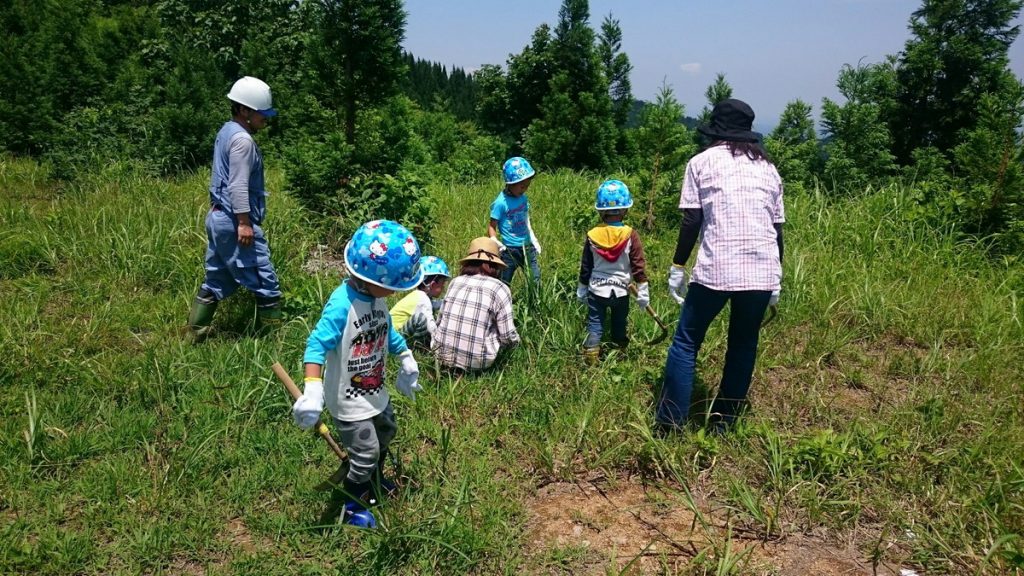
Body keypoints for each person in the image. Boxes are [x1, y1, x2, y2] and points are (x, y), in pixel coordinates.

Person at [657, 98, 784, 434]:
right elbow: (777, 230)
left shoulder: (701, 163)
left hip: (718, 267)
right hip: (761, 270)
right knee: (743, 344)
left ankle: (670, 424)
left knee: (686, 341)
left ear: (715, 131)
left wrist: (677, 266)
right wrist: (776, 280)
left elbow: (691, 221)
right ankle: (723, 424)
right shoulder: (768, 169)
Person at [291, 220, 424, 528]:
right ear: (366, 277)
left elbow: (387, 329)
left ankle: (373, 487)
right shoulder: (342, 304)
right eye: (392, 285)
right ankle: (351, 507)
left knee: (386, 433)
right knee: (364, 453)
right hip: (349, 402)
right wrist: (312, 389)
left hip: (375, 390)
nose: (394, 292)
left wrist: (405, 356)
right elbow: (316, 345)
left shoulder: (377, 297)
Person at [187, 76, 282, 340]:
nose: (266, 119)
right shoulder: (243, 141)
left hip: (218, 217)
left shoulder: (226, 131)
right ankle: (272, 344)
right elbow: (237, 186)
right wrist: (243, 222)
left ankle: (194, 336)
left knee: (216, 279)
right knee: (264, 280)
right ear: (244, 110)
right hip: (232, 220)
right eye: (262, 113)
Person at [576, 180, 649, 363]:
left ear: (601, 210)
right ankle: (619, 358)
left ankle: (590, 360)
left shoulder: (592, 235)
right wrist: (643, 290)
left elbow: (586, 265)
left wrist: (582, 287)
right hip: (622, 291)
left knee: (595, 326)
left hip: (597, 290)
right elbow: (638, 264)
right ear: (625, 210)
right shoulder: (630, 234)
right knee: (619, 324)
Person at [432, 237, 520, 371]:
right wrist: (517, 346)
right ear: (494, 265)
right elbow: (507, 336)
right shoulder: (500, 288)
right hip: (479, 362)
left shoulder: (455, 282)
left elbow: (440, 320)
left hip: (440, 354)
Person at [488, 156, 542, 286]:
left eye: (527, 186)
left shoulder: (523, 198)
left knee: (535, 279)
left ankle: (535, 303)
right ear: (510, 183)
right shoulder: (501, 203)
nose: (525, 189)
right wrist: (495, 241)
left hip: (527, 247)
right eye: (522, 187)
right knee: (503, 282)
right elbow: (491, 226)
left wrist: (533, 239)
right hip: (509, 250)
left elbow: (525, 218)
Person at [389, 255, 450, 349]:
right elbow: (431, 326)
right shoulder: (423, 299)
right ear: (433, 285)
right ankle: (421, 349)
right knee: (422, 321)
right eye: (442, 284)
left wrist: (446, 302)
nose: (443, 288)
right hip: (393, 339)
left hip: (391, 336)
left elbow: (434, 305)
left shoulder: (419, 296)